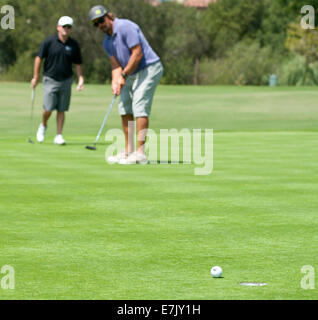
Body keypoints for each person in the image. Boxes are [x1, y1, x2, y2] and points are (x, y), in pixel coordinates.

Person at [89, 5, 163, 164]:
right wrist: (115, 81)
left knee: (139, 104)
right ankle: (129, 151)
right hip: (131, 72)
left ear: (108, 16)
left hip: (149, 68)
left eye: (101, 20)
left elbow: (137, 53)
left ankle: (140, 152)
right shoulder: (107, 42)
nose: (100, 25)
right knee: (124, 106)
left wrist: (123, 75)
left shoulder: (125, 26)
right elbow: (115, 65)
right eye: (96, 24)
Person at [31, 16, 84, 145]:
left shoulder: (74, 45)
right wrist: (36, 76)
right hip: (50, 78)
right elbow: (39, 58)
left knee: (62, 109)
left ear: (71, 29)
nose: (66, 29)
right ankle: (43, 125)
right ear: (58, 27)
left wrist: (80, 78)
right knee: (48, 108)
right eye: (64, 26)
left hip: (66, 80)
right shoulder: (49, 42)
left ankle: (59, 135)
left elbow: (78, 63)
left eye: (69, 27)